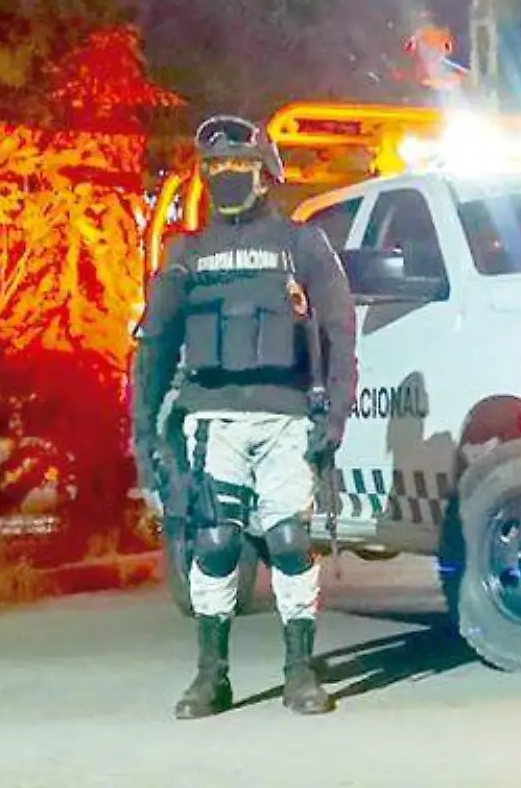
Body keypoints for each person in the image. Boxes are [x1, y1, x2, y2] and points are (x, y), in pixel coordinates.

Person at [130, 115, 358, 719]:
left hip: (286, 419)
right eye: (217, 169)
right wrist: (144, 430)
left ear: (267, 173)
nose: (228, 177)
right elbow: (154, 343)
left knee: (288, 540)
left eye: (240, 166)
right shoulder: (186, 252)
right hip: (212, 421)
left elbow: (339, 330)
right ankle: (212, 676)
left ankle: (299, 672)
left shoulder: (302, 243)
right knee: (215, 543)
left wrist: (336, 415)